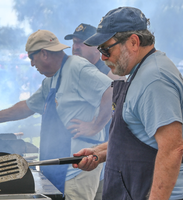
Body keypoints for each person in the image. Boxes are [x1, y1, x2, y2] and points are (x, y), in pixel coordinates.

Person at [72, 7, 183, 200]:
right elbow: (140, 138)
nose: (103, 57)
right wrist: (99, 152)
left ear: (134, 42)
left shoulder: (155, 79)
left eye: (107, 49)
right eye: (100, 50)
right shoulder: (141, 72)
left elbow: (172, 149)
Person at [0, 29, 113, 200]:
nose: (31, 63)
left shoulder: (76, 67)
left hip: (76, 168)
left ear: (44, 53)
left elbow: (111, 91)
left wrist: (95, 126)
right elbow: (27, 106)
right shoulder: (51, 80)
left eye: (32, 57)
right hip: (56, 166)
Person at [64, 23, 125, 200]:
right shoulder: (76, 71)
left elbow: (112, 94)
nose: (76, 47)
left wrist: (95, 126)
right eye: (74, 42)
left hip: (104, 156)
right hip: (90, 157)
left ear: (97, 48)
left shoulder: (109, 71)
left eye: (81, 43)